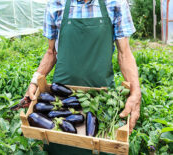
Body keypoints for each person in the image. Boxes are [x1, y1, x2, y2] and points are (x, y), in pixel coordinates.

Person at [26, 0, 141, 154]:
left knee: (101, 143)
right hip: (60, 96)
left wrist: (135, 92)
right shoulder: (55, 4)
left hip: (100, 97)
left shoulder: (115, 3)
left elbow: (124, 53)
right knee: (61, 145)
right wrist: (35, 80)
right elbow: (51, 52)